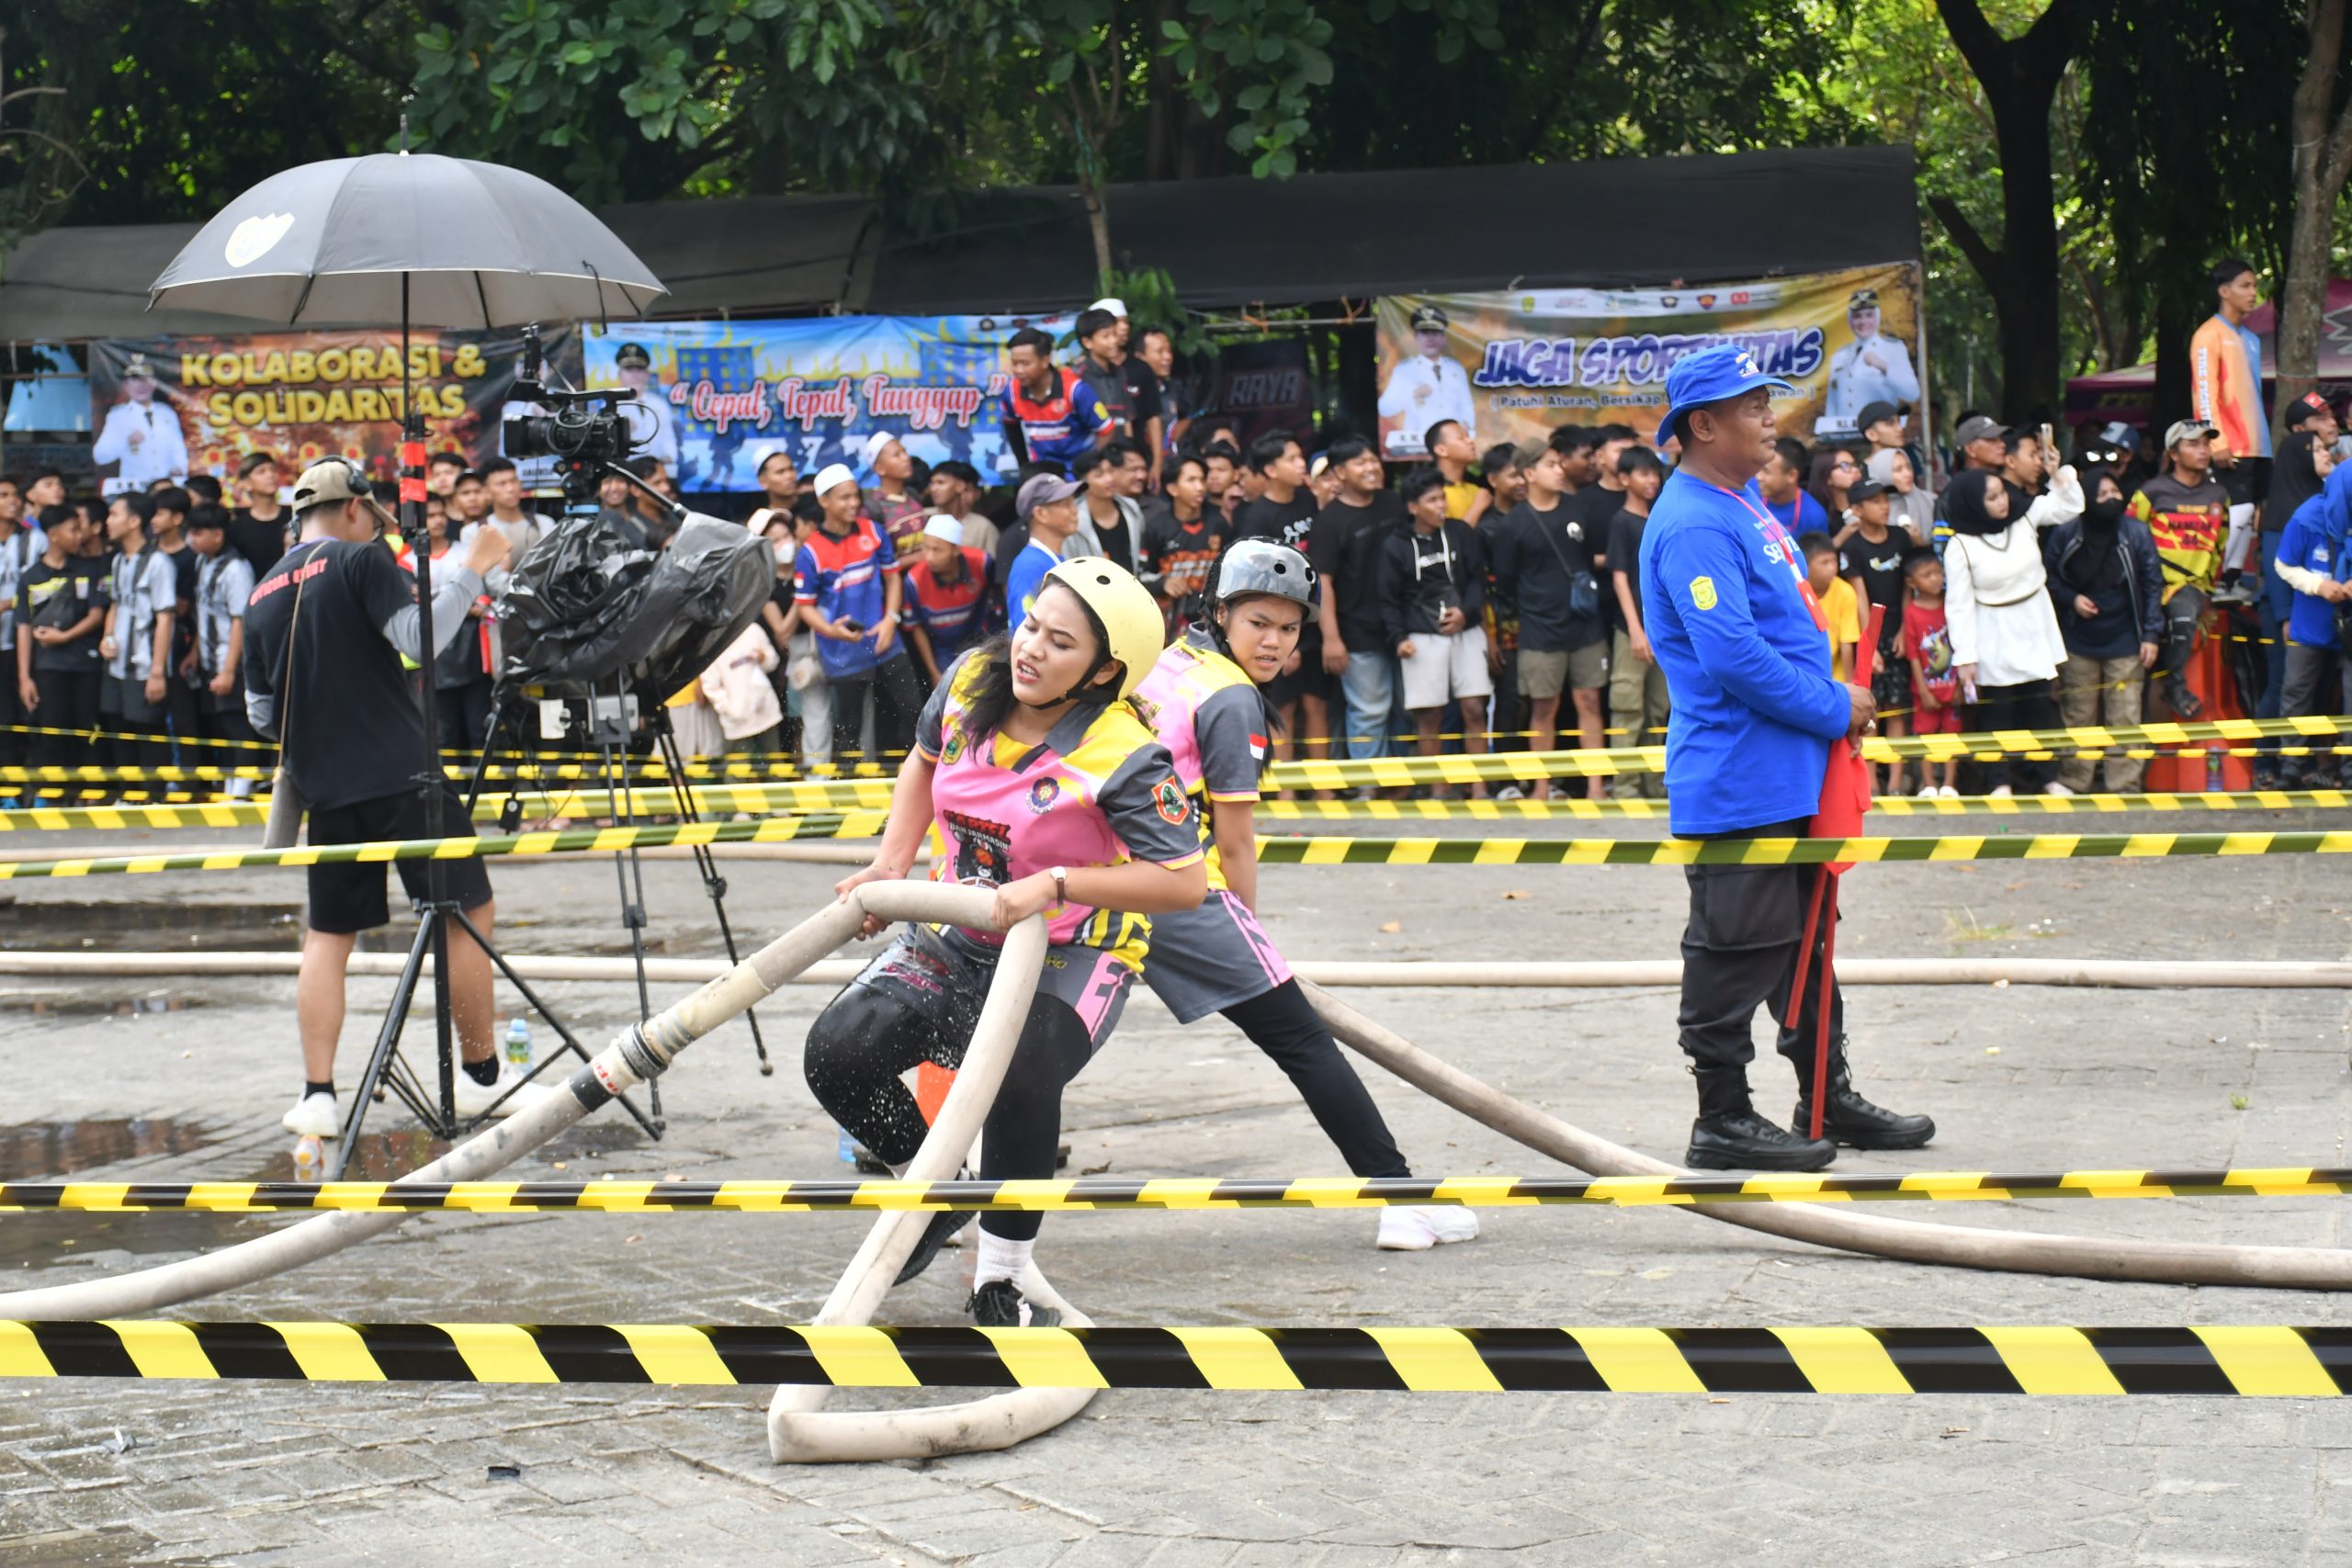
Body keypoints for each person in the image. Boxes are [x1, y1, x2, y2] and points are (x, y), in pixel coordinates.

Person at [809, 559, 1205, 1328]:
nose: (1029, 649)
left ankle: (1005, 1278)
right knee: (839, 1053)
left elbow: (1183, 881)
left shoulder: (1123, 753)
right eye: (1030, 624)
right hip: (959, 929)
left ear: (1104, 671)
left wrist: (1059, 882)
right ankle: (939, 1191)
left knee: (1021, 1073)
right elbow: (924, 762)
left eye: (1060, 643)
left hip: (1071, 948)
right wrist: (891, 864)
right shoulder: (970, 679)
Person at [1136, 539, 1476, 1249]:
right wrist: (1248, 938)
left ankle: (959, 1193)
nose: (1275, 642)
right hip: (1176, 886)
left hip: (1102, 877)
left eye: (1290, 628)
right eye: (1260, 621)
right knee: (1301, 1037)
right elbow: (1233, 841)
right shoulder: (1231, 699)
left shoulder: (1172, 660)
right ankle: (1399, 1196)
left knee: (1040, 1047)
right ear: (1220, 611)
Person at [1638, 343, 1930, 1170]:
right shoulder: (1694, 517)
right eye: (1752, 405)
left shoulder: (1745, 504)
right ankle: (1722, 1115)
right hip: (1740, 773)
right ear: (1703, 424)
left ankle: (1825, 1092)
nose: (1771, 417)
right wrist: (1837, 703)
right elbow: (1731, 655)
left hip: (1790, 763)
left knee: (1808, 941)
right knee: (1737, 942)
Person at [242, 459, 525, 1138]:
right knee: (466, 909)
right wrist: (472, 565)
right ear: (353, 510)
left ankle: (318, 1094)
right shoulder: (359, 561)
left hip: (325, 789)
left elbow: (259, 713)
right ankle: (485, 1070)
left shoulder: (262, 593)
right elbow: (419, 638)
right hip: (405, 776)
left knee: (329, 936)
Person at [1942, 468, 2075, 795]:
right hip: (1992, 633)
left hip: (2034, 625)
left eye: (2002, 493)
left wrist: (2060, 474)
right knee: (1997, 711)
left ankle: (2048, 777)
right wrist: (1965, 656)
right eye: (1991, 498)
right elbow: (1958, 605)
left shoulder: (2025, 517)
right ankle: (1999, 781)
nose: (2002, 501)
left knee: (2041, 706)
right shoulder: (1959, 545)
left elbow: (2070, 507)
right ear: (1973, 503)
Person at [1492, 443, 1608, 799]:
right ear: (1529, 473)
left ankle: (1595, 788)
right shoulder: (1513, 523)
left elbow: (1587, 559)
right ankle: (1540, 788)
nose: (1559, 470)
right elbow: (1504, 579)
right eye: (1550, 465)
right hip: (1540, 629)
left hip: (1585, 623)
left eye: (1560, 463)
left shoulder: (1577, 509)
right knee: (1543, 706)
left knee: (1589, 701)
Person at [2042, 471, 2165, 795]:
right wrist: (2073, 599)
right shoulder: (2066, 533)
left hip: (2126, 638)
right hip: (2078, 638)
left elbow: (2154, 585)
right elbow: (2048, 579)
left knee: (2125, 715)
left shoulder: (2136, 533)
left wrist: (2151, 634)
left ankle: (2124, 785)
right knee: (2078, 713)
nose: (2112, 498)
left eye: (2115, 491)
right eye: (2103, 493)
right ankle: (2073, 781)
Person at [795, 462, 922, 768]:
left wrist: (891, 621)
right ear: (824, 501)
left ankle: (919, 784)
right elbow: (804, 606)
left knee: (915, 711)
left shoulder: (873, 531)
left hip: (884, 640)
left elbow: (893, 578)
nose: (853, 503)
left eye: (856, 496)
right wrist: (830, 630)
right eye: (844, 498)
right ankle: (849, 799)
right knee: (849, 729)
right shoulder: (810, 552)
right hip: (842, 652)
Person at [1385, 468, 1490, 797]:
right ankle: (1437, 791)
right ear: (1413, 507)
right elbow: (1387, 596)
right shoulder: (1395, 545)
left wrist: (1466, 612)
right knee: (1429, 715)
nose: (1441, 505)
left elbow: (1477, 580)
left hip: (1466, 631)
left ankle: (1479, 788)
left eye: (1442, 497)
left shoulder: (1461, 533)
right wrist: (1399, 637)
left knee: (1475, 707)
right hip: (1420, 636)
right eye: (1432, 500)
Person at [2128, 419, 2233, 719]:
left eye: (2205, 444)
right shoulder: (2151, 492)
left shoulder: (2218, 495)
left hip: (2189, 587)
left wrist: (2208, 587)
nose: (2203, 450)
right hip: (2148, 584)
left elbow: (2220, 546)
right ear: (2173, 454)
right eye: (2193, 444)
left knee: (2184, 615)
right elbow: (2130, 536)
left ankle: (2174, 685)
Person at [1233, 433, 1328, 764]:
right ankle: (1285, 790)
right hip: (1278, 624)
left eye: (1300, 457)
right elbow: (1257, 582)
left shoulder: (1308, 501)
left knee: (1316, 703)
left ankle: (1324, 788)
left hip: (1312, 616)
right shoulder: (1256, 517)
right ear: (1271, 470)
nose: (1301, 464)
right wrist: (1284, 639)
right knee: (1282, 708)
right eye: (1291, 458)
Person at [1308, 437, 1403, 763]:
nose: (1372, 467)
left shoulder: (1394, 503)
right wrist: (1331, 639)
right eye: (1361, 463)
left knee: (1406, 709)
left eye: (1374, 460)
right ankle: (1368, 788)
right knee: (1369, 711)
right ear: (1339, 472)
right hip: (1357, 631)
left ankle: (1403, 784)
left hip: (1404, 625)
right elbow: (1324, 582)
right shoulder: (1329, 522)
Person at [2270, 455, 2352, 787]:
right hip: (2312, 621)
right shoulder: (2307, 517)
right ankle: (2291, 766)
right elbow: (2283, 565)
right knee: (2296, 693)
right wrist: (2319, 586)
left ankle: (2349, 769)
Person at [2190, 257, 2271, 583]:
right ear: (2224, 291)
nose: (2253, 293)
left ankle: (2235, 578)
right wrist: (2215, 439)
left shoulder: (2250, 338)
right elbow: (2204, 390)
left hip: (2258, 444)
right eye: (2245, 286)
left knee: (2251, 514)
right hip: (2230, 444)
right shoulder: (2208, 334)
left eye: (2254, 285)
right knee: (2234, 514)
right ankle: (2220, 577)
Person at [396, 502, 497, 753]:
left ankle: (482, 789)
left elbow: (484, 595)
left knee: (478, 728)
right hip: (435, 656)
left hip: (472, 650)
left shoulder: (467, 553)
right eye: (430, 515)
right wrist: (460, 602)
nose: (438, 520)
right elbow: (413, 605)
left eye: (441, 514)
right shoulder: (406, 562)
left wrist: (437, 599)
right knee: (443, 733)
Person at [1835, 479, 1911, 792]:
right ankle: (1869, 783)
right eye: (1875, 501)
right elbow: (1860, 597)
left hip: (1900, 632)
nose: (1884, 506)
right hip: (1871, 635)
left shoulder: (1901, 537)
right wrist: (1871, 645)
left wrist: (1906, 629)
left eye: (1885, 500)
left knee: (1898, 709)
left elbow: (1909, 585)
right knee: (1871, 712)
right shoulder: (1854, 547)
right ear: (1856, 510)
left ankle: (1895, 783)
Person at [17, 502, 107, 768]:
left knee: (87, 731)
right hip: (48, 667)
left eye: (80, 529)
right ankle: (53, 796)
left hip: (86, 666)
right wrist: (24, 677)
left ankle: (89, 797)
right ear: (53, 535)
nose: (79, 536)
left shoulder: (90, 569)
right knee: (52, 732)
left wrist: (64, 637)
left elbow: (97, 614)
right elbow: (23, 627)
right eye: (73, 530)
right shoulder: (30, 577)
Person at [96, 491, 177, 769]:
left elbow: (166, 618)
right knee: (119, 733)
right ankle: (128, 798)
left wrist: (157, 672)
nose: (108, 521)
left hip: (144, 667)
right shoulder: (119, 560)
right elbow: (115, 605)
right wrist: (107, 636)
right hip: (116, 665)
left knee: (148, 734)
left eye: (114, 514)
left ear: (133, 521)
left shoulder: (159, 563)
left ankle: (151, 800)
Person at [1606, 446, 1669, 797]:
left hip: (1662, 630)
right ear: (1624, 479)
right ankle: (1626, 787)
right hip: (1632, 630)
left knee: (1658, 709)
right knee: (1628, 709)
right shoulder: (1621, 522)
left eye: (1654, 473)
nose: (1652, 480)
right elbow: (1619, 578)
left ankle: (1655, 785)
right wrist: (1635, 630)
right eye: (1643, 473)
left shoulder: (1657, 518)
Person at [186, 505, 257, 782]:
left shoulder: (236, 569)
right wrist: (194, 653)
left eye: (198, 532)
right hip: (208, 658)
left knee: (236, 724)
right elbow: (203, 612)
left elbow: (240, 620)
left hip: (231, 660)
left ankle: (242, 787)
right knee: (220, 726)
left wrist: (228, 670)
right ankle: (228, 782)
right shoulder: (202, 562)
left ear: (218, 535)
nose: (192, 538)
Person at [1000, 327, 1112, 477]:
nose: (1019, 370)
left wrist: (1091, 466)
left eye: (1025, 363)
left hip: (1079, 472)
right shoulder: (1012, 391)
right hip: (1044, 473)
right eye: (1014, 363)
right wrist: (1024, 465)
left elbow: (1106, 430)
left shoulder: (1076, 390)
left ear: (1045, 360)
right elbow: (1010, 425)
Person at [903, 515, 995, 686]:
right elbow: (916, 628)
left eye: (937, 550)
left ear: (956, 550)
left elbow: (997, 594)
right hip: (943, 650)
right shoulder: (914, 581)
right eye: (926, 548)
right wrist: (934, 673)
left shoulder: (982, 563)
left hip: (981, 642)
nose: (929, 557)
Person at [1139, 451, 1227, 626]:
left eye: (1202, 480)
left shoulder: (1219, 524)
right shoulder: (1156, 528)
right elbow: (1141, 575)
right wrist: (1163, 583)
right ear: (1173, 489)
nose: (1200, 487)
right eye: (1191, 480)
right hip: (1168, 622)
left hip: (1211, 618)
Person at [1378, 303, 1475, 458]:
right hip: (1418, 447)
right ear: (1416, 337)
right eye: (1424, 332)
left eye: (1435, 333)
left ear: (1443, 338)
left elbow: (1467, 405)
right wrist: (1412, 394)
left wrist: (1466, 427)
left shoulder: (1455, 368)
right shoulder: (1404, 370)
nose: (1430, 338)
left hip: (1453, 446)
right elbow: (1385, 408)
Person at [1901, 551, 1961, 796]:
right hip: (1925, 689)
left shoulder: (1952, 605)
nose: (1936, 579)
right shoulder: (1912, 612)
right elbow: (1913, 655)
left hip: (1952, 685)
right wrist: (1923, 690)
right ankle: (1929, 784)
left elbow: (1960, 646)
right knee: (1924, 735)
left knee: (1952, 736)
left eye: (1938, 573)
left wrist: (1959, 686)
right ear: (1912, 583)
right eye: (1927, 575)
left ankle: (1949, 784)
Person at [91, 354, 188, 495]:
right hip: (136, 490)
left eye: (146, 379)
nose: (142, 385)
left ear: (155, 383)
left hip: (165, 488)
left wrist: (179, 468)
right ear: (126, 385)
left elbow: (178, 449)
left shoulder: (167, 413)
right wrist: (126, 441)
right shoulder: (118, 416)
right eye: (135, 379)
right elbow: (100, 456)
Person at [1823, 287, 1920, 425]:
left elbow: (1912, 394)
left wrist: (1884, 367)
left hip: (1879, 431)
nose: (1863, 322)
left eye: (1869, 315)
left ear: (1877, 317)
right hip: (1845, 435)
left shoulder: (1893, 348)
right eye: (1857, 316)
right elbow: (1832, 403)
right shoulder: (1840, 355)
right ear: (1850, 319)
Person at [0, 483, 47, 768]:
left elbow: (44, 587)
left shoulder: (35, 540)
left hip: (25, 643)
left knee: (23, 715)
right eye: (3, 496)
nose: (12, 501)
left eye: (15, 495)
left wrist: (7, 605)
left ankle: (20, 790)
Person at [1005, 473, 1083, 634]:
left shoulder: (1054, 557)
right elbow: (1026, 631)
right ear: (1040, 514)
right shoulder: (1029, 566)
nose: (1075, 511)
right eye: (1066, 504)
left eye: (1073, 503)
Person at [700, 619, 783, 755]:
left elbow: (773, 662)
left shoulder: (752, 629)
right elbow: (710, 686)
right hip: (736, 723)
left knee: (775, 767)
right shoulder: (713, 643)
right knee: (738, 770)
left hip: (765, 712)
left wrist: (763, 658)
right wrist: (732, 710)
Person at [1072, 308, 1147, 452]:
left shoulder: (1120, 372)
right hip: (1092, 454)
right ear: (1087, 342)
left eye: (1114, 334)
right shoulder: (1077, 377)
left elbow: (1126, 419)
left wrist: (1130, 451)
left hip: (1119, 451)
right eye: (1106, 336)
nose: (1113, 341)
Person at [611, 341, 682, 475]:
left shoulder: (659, 404)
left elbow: (668, 437)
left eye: (639, 369)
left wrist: (670, 459)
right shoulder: (612, 406)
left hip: (658, 471)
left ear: (647, 375)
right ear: (620, 375)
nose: (635, 375)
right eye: (629, 370)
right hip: (627, 472)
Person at [1799, 533, 1861, 682]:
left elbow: (1846, 643)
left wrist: (1848, 688)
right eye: (1824, 562)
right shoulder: (1793, 592)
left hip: (1835, 674)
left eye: (1834, 560)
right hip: (1803, 671)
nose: (1832, 567)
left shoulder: (1845, 592)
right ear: (1805, 565)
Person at [1073, 443, 1142, 577]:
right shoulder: (1074, 518)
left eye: (1111, 471)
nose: (1110, 479)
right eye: (1099, 475)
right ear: (1083, 482)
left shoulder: (1131, 508)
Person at [861, 431, 928, 552]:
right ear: (880, 469)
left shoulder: (912, 494)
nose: (906, 458)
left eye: (904, 451)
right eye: (897, 455)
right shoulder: (871, 509)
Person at [925, 458, 1000, 559]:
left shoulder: (983, 527)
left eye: (941, 482)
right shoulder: (923, 518)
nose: (934, 489)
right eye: (932, 483)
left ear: (960, 486)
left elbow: (992, 566)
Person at [227, 452, 288, 574]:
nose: (270, 475)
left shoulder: (295, 517)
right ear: (246, 483)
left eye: (273, 470)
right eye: (261, 471)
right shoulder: (237, 527)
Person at [1136, 326, 1190, 456]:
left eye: (1169, 351)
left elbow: (1186, 417)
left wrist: (1168, 445)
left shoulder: (1171, 388)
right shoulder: (1133, 392)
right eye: (1160, 352)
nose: (1167, 357)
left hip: (1170, 465)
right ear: (1140, 357)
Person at [1758, 438, 1830, 535]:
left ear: (1792, 476)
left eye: (1766, 471)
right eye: (1759, 468)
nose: (1758, 477)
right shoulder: (1748, 492)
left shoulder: (1813, 516)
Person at [1865, 446, 1933, 545]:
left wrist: (1919, 543)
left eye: (1909, 467)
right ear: (1882, 473)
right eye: (1898, 470)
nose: (1908, 474)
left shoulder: (1931, 501)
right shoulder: (1869, 511)